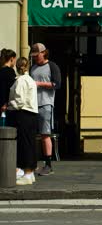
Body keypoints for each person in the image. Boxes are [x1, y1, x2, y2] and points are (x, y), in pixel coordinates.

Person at [30, 43, 61, 176]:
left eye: (37, 55)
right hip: (31, 104)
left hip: (46, 104)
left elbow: (56, 84)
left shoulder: (52, 66)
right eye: (34, 56)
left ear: (44, 53)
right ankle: (32, 163)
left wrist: (39, 84)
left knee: (45, 134)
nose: (36, 58)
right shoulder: (33, 68)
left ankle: (48, 164)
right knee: (31, 134)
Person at [8, 57, 38, 185]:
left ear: (17, 67)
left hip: (23, 114)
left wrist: (10, 105)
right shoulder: (31, 80)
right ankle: (30, 172)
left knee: (24, 144)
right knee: (30, 143)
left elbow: (19, 100)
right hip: (32, 114)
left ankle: (26, 172)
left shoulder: (20, 81)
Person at [0, 49, 17, 122]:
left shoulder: (1, 70)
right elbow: (10, 88)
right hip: (5, 105)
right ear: (12, 58)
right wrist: (5, 103)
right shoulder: (10, 71)